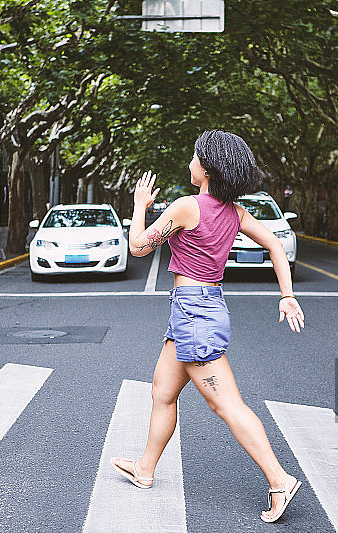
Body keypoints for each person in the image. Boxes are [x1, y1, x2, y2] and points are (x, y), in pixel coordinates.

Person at [110, 130, 305, 524]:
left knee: (226, 404)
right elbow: (277, 246)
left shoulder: (187, 206)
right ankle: (145, 469)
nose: (191, 161)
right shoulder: (235, 212)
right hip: (197, 308)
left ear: (207, 168)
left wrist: (139, 206)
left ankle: (279, 479)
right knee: (163, 391)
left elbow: (137, 247)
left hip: (195, 312)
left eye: (195, 156)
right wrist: (285, 294)